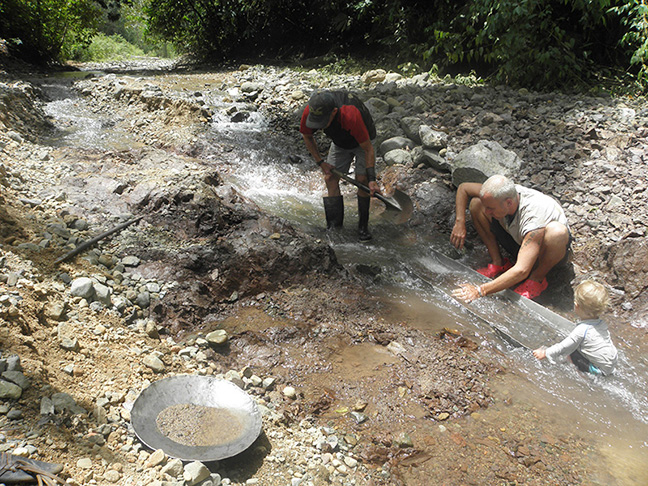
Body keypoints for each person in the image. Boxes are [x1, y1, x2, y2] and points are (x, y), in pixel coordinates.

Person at [451, 174, 570, 301]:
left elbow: (522, 270)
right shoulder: (499, 195)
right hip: (519, 239)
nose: (487, 212)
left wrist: (480, 291)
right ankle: (498, 263)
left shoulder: (534, 216)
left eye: (491, 208)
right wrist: (460, 222)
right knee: (476, 203)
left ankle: (537, 279)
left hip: (545, 251)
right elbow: (464, 188)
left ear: (509, 202)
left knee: (557, 232)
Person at [300, 89, 380, 241]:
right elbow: (307, 136)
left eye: (323, 122)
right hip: (339, 143)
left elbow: (368, 149)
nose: (320, 126)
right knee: (330, 178)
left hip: (363, 141)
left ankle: (363, 227)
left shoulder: (351, 114)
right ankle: (334, 227)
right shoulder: (310, 110)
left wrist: (372, 179)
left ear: (334, 112)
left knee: (362, 180)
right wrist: (320, 162)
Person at [533, 280, 618, 376]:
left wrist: (545, 353)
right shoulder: (601, 324)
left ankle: (581, 374)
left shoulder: (582, 330)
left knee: (570, 351)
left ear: (576, 306)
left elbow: (563, 347)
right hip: (611, 366)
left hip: (597, 370)